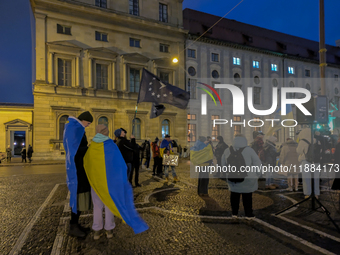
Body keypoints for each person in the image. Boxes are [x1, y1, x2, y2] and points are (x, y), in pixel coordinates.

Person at [84, 124, 148, 238]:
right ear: (107, 132)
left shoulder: (92, 146)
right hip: (110, 182)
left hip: (96, 182)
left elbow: (87, 163)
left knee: (97, 206)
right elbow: (119, 163)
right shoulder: (111, 145)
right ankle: (109, 229)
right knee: (109, 204)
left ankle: (97, 231)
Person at [63, 111, 93, 238]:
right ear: (84, 120)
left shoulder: (76, 128)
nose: (89, 125)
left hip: (80, 168)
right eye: (88, 123)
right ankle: (73, 226)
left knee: (79, 197)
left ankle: (75, 224)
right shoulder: (75, 129)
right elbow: (74, 150)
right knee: (77, 197)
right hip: (77, 169)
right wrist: (90, 148)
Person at [222, 134, 261, 218]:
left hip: (232, 177)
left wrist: (227, 173)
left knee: (234, 195)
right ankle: (248, 214)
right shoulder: (249, 150)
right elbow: (257, 163)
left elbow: (223, 165)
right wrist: (257, 174)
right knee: (247, 197)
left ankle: (234, 213)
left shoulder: (227, 150)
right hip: (247, 177)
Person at [296, 128, 321, 199]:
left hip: (306, 161)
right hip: (316, 162)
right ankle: (316, 193)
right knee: (316, 178)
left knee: (306, 178)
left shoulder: (303, 141)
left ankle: (308, 193)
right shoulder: (317, 141)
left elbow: (299, 151)